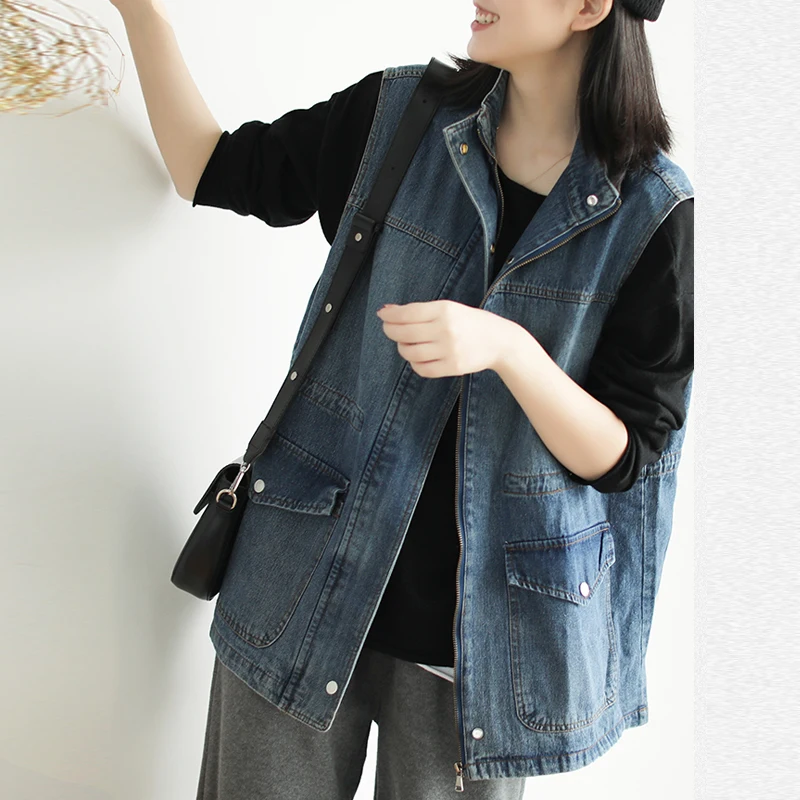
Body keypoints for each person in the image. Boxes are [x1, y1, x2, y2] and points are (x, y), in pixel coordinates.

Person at [114, 0, 692, 797]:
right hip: (301, 591)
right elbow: (207, 167)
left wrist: (509, 349)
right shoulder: (400, 118)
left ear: (591, 7)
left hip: (481, 652)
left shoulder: (649, 210)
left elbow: (628, 453)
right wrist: (140, 13)